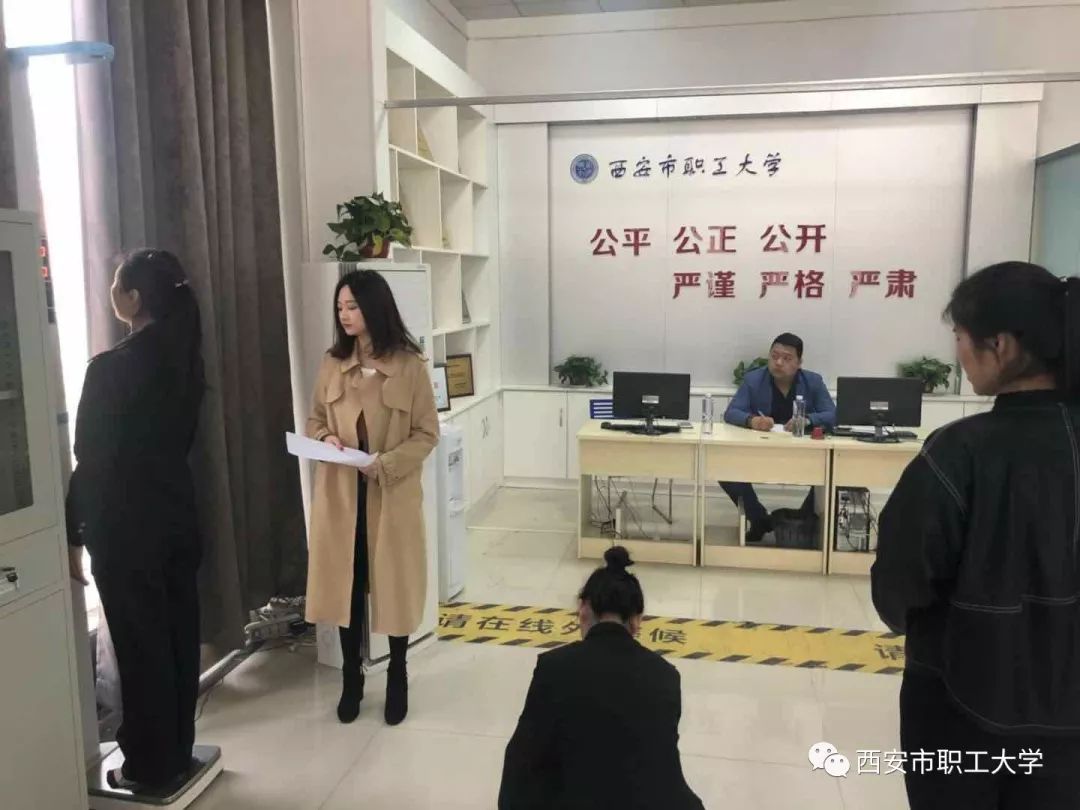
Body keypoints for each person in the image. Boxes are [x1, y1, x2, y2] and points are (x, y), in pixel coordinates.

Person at [872, 262, 1080, 810]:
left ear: (1001, 346)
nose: (959, 353)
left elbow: (900, 582)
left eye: (961, 337)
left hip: (960, 701)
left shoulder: (959, 451)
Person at [66, 249, 205, 792]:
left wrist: (75, 534)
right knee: (176, 640)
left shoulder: (110, 368)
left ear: (134, 298)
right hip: (176, 516)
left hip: (126, 528)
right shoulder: (184, 360)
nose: (111, 292)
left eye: (116, 284)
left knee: (140, 647)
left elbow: (91, 461)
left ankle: (148, 766)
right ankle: (177, 751)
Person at [305, 269, 438, 727]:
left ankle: (398, 672)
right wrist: (326, 438)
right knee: (346, 587)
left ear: (374, 308)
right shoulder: (332, 363)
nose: (344, 315)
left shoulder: (410, 365)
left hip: (391, 495)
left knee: (393, 585)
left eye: (353, 307)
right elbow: (315, 419)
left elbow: (426, 433)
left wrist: (387, 463)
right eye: (340, 307)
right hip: (341, 497)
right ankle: (351, 676)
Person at [498, 546, 704, 810]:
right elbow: (663, 770)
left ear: (583, 610)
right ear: (637, 621)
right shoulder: (665, 676)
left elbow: (520, 766)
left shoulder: (554, 667)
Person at [721, 333, 836, 542]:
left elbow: (832, 414)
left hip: (804, 453)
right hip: (761, 451)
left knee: (835, 471)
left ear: (799, 363)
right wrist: (752, 420)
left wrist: (808, 420)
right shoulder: (754, 379)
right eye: (774, 356)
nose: (779, 362)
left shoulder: (813, 381)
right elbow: (731, 412)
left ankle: (804, 519)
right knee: (724, 469)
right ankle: (759, 519)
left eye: (787, 358)